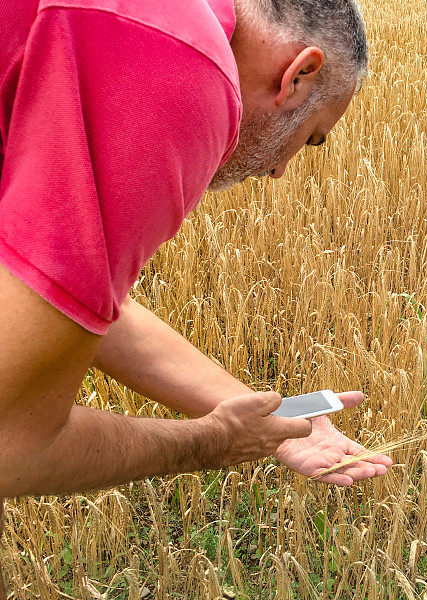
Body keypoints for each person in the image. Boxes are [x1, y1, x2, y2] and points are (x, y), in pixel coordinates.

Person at [0, 0, 392, 595]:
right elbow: (12, 442)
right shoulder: (182, 68)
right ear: (299, 73)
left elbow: (53, 293)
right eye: (309, 137)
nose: (281, 171)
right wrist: (213, 443)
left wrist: (263, 414)